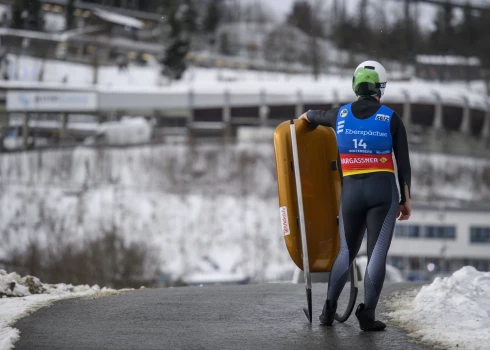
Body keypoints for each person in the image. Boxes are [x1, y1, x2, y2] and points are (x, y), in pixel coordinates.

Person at [299, 60, 412, 331]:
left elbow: (312, 116)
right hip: (382, 193)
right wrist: (406, 199)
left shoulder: (340, 115)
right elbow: (404, 163)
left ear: (355, 86)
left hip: (350, 193)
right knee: (376, 254)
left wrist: (304, 119)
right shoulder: (390, 118)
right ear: (380, 89)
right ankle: (367, 315)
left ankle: (328, 311)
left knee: (345, 253)